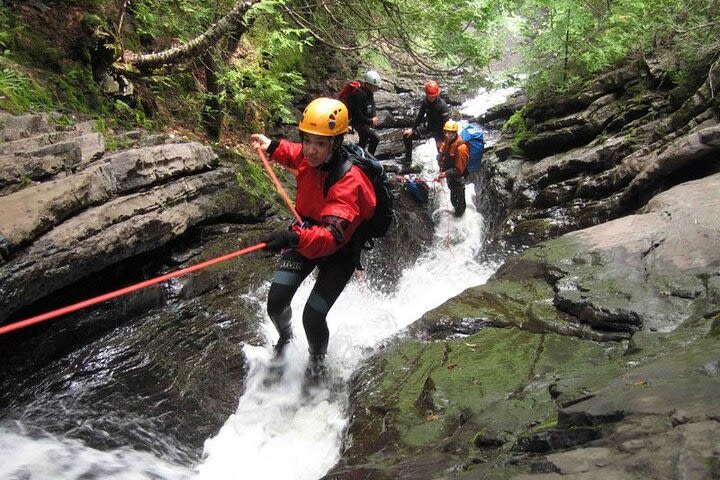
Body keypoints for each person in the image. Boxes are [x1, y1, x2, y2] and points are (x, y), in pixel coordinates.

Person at [250, 97, 377, 385]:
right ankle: (285, 338)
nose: (311, 149)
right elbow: (295, 154)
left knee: (313, 316)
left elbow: (332, 237)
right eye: (308, 140)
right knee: (276, 303)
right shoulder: (309, 158)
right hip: (306, 235)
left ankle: (317, 362)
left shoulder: (349, 180)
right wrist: (271, 146)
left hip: (339, 253)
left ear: (335, 143)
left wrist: (293, 237)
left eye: (320, 143)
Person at [402, 80, 451, 171]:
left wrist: (443, 140)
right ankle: (408, 160)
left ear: (437, 95)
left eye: (433, 96)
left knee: (441, 154)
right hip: (429, 128)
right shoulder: (426, 102)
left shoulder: (442, 106)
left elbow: (447, 125)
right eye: (429, 96)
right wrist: (413, 129)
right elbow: (420, 116)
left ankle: (442, 172)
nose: (431, 98)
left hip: (440, 133)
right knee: (406, 135)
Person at [437, 120, 469, 217]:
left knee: (458, 202)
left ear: (455, 133)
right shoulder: (448, 142)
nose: (447, 135)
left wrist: (445, 174)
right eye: (446, 132)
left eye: (450, 133)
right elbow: (443, 152)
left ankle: (460, 219)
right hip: (451, 176)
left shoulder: (461, 148)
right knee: (453, 198)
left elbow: (459, 170)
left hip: (458, 178)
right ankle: (457, 213)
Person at [346, 70, 382, 155]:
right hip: (358, 123)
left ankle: (361, 156)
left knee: (364, 140)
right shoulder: (357, 94)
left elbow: (372, 105)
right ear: (368, 84)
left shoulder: (370, 93)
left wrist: (374, 118)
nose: (376, 89)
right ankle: (370, 158)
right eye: (374, 87)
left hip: (366, 122)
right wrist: (370, 121)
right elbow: (357, 115)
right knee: (375, 138)